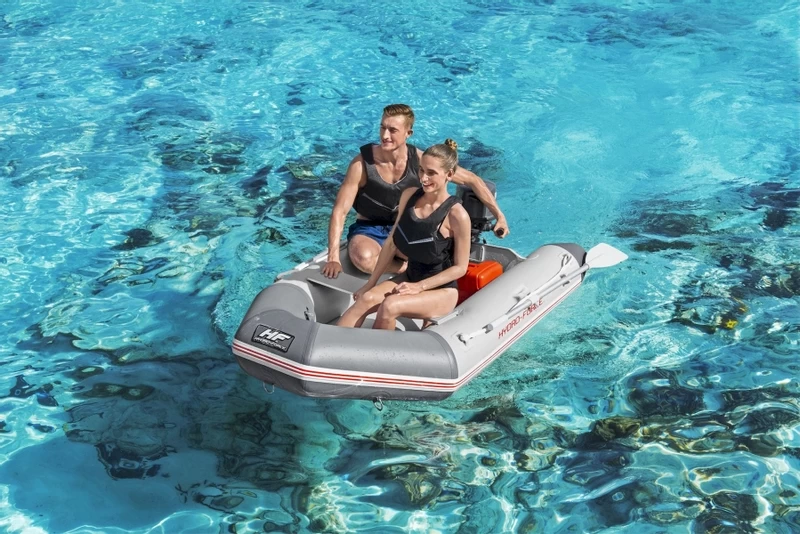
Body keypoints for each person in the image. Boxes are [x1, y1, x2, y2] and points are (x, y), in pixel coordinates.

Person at [321, 104, 508, 279]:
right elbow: (340, 210)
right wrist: (333, 258)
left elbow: (472, 179)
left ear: (408, 133)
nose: (385, 135)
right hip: (370, 229)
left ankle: (415, 266)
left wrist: (499, 215)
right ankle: (404, 268)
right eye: (382, 128)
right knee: (363, 258)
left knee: (433, 253)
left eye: (392, 130)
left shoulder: (420, 159)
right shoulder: (361, 164)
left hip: (408, 228)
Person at [337, 139, 470, 330]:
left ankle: (374, 349)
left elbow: (460, 268)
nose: (423, 178)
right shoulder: (409, 196)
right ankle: (329, 344)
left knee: (390, 306)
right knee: (367, 298)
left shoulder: (457, 215)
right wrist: (371, 284)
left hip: (441, 291)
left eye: (431, 173)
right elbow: (392, 243)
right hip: (410, 277)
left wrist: (419, 287)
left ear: (449, 174)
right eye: (421, 170)